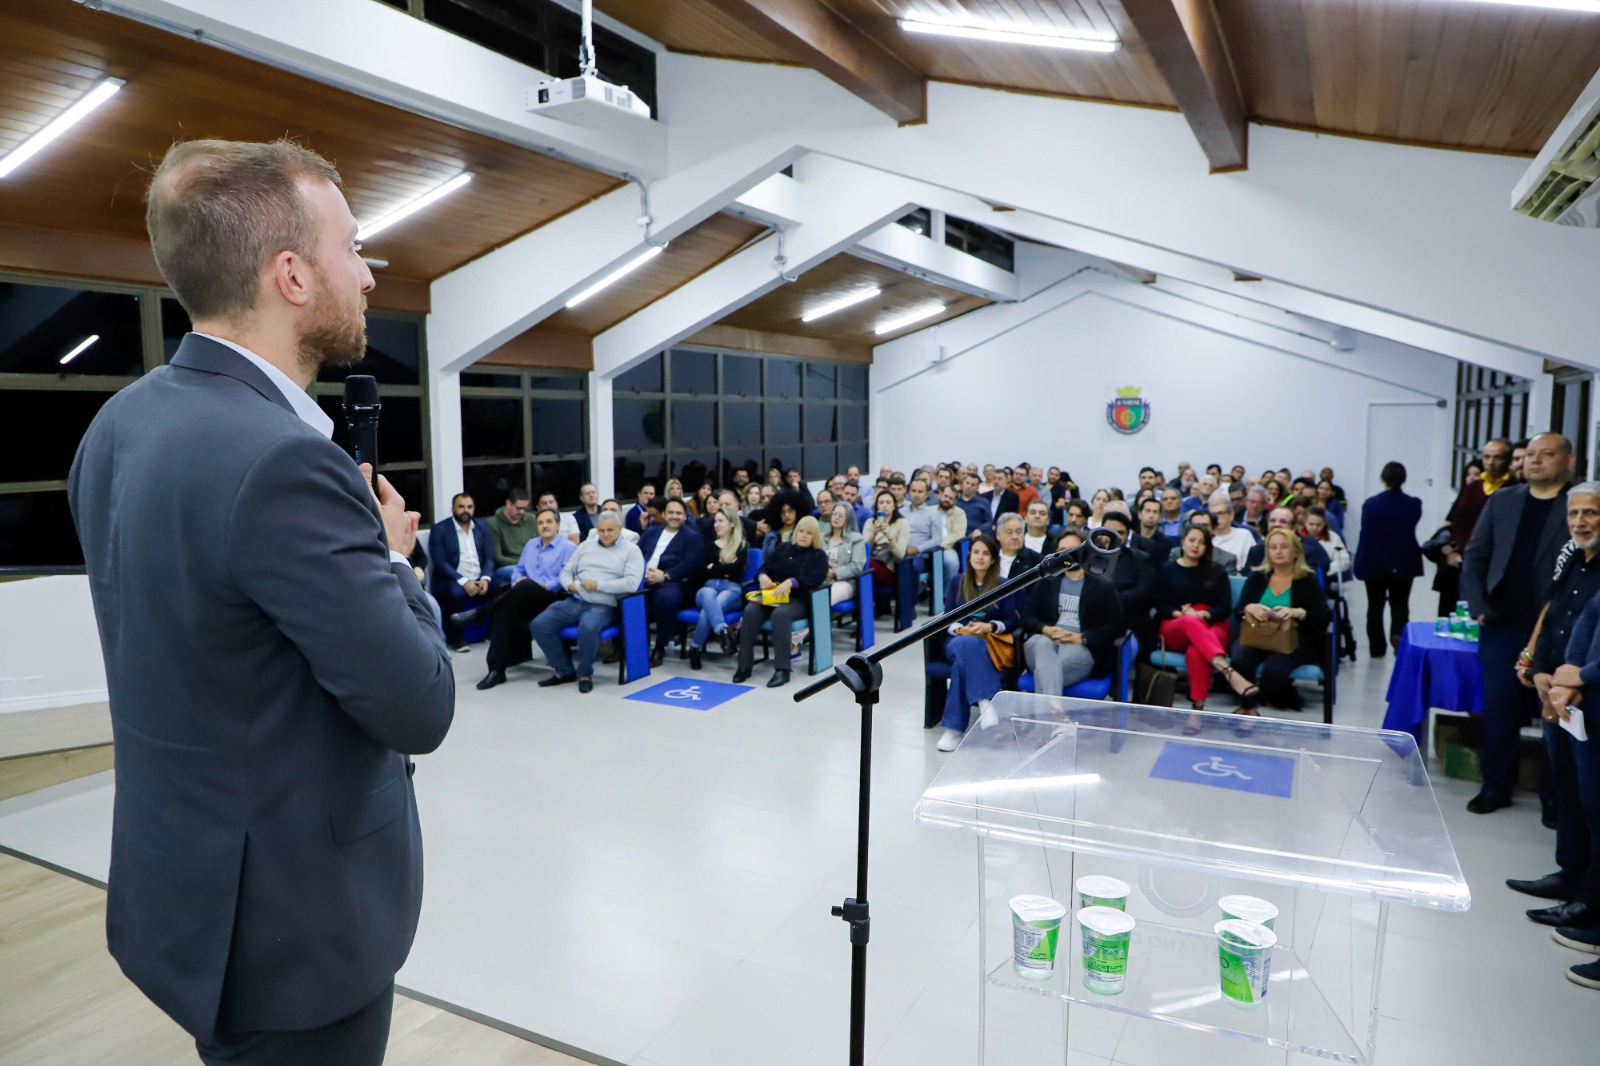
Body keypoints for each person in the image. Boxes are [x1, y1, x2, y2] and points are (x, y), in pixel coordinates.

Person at [68, 137, 454, 1065]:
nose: (366, 277)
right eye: (352, 248)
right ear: (290, 275)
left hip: (191, 898)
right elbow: (419, 704)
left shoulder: (120, 421)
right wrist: (396, 565)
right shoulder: (284, 462)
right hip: (296, 928)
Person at [1463, 432, 1574, 814]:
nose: (1536, 461)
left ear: (1568, 462)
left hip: (1558, 632)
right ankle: (1495, 786)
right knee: (1499, 712)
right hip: (1501, 623)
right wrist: (1478, 605)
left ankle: (1554, 799)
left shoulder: (1578, 506)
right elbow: (1475, 557)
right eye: (1531, 455)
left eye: (1547, 454)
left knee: (1556, 718)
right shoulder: (1503, 501)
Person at [1512, 482, 1600, 935]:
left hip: (1586, 696)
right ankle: (1568, 874)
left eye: (1591, 514)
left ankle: (1589, 896)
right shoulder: (1573, 561)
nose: (1581, 522)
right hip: (1557, 690)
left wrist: (1573, 683)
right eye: (1574, 514)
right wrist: (1541, 670)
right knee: (1564, 786)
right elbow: (1553, 617)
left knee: (1591, 799)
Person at [530, 512, 645, 693]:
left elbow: (631, 584)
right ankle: (564, 670)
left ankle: (585, 673)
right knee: (539, 624)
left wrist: (598, 585)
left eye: (610, 530)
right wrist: (570, 586)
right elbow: (566, 572)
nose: (605, 534)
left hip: (605, 605)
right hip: (576, 599)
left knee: (588, 627)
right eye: (601, 530)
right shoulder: (585, 546)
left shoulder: (631, 551)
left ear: (620, 529)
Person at [1155, 526, 1258, 714]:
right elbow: (1161, 605)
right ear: (1183, 541)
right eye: (1192, 540)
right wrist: (1185, 615)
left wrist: (1201, 615)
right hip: (1176, 624)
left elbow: (1225, 607)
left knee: (1197, 651)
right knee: (1190, 623)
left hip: (1212, 624)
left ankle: (1197, 710)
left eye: (1202, 542)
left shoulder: (1216, 571)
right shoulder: (1167, 570)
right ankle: (1228, 671)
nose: (1196, 546)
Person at [474, 507, 576, 690]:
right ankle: (496, 670)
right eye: (540, 522)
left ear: (558, 525)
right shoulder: (531, 545)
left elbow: (565, 577)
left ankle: (482, 612)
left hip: (552, 598)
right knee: (504, 611)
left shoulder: (568, 548)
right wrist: (517, 581)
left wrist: (543, 585)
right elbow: (518, 570)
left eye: (549, 522)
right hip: (525, 597)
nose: (544, 526)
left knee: (528, 586)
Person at [1230, 528, 1330, 713]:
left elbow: (1323, 617)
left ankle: (1250, 707)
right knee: (1239, 658)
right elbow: (1239, 610)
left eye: (1284, 547)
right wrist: (1249, 608)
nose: (1278, 551)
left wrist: (1298, 612)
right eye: (1273, 547)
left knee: (1274, 669)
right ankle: (1252, 706)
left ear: (1295, 551)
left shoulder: (1307, 579)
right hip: (1257, 635)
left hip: (1296, 639)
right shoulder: (1258, 577)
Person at [934, 533, 1019, 752]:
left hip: (988, 644)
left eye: (985, 553)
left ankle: (954, 729)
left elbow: (1011, 620)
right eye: (976, 552)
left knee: (962, 664)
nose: (980, 557)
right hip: (958, 641)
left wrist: (989, 626)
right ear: (969, 555)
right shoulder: (957, 581)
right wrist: (963, 629)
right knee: (967, 645)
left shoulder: (1002, 584)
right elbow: (948, 617)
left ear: (993, 559)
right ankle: (985, 700)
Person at [1023, 528, 1126, 698]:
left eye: (1072, 550)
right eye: (1061, 551)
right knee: (1041, 644)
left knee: (1047, 672)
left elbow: (1118, 625)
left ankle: (1050, 716)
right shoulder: (1047, 581)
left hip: (1079, 646)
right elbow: (1027, 616)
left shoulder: (1102, 585)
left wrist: (1083, 637)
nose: (1066, 555)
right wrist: (1045, 629)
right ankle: (1056, 713)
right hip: (1045, 640)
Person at [734, 515, 829, 688]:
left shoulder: (819, 555)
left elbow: (815, 579)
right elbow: (765, 567)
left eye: (809, 533)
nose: (803, 535)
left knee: (781, 614)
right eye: (801, 531)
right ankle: (744, 665)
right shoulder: (784, 548)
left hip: (800, 599)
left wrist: (792, 582)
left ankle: (782, 669)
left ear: (815, 536)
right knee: (750, 610)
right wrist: (763, 576)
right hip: (773, 596)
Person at [1438, 439, 1513, 615]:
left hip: (1499, 561)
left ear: (1507, 460)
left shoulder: (1513, 488)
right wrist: (1460, 548)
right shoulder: (1474, 487)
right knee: (1468, 606)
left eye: (1497, 457)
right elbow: (1459, 520)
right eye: (1487, 457)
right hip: (1470, 556)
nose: (1491, 462)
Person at [639, 497, 706, 665]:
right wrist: (642, 573)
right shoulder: (650, 532)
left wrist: (666, 575)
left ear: (685, 516)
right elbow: (636, 555)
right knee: (628, 599)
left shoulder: (692, 537)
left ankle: (659, 647)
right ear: (663, 514)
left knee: (666, 599)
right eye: (671, 512)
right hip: (644, 578)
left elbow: (689, 563)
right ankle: (636, 648)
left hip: (672, 581)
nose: (674, 516)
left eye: (678, 513)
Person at [429, 493, 494, 647]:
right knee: (455, 593)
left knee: (502, 588)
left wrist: (485, 578)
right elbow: (441, 563)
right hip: (452, 579)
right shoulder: (440, 529)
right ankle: (457, 640)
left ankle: (493, 633)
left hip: (479, 577)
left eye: (469, 507)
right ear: (453, 508)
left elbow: (490, 557)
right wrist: (464, 582)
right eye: (461, 506)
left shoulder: (481, 527)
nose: (466, 510)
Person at [686, 510, 749, 668]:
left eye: (721, 521)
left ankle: (696, 648)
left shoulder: (741, 546)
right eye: (715, 521)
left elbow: (736, 570)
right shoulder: (708, 546)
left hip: (731, 589)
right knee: (708, 596)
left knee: (710, 609)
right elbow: (700, 570)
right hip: (708, 587)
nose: (716, 525)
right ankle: (723, 632)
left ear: (732, 524)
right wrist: (725, 568)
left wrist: (714, 567)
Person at [1241, 507, 1331, 574]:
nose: (1276, 524)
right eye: (1272, 520)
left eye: (1283, 521)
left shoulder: (1306, 552)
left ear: (1293, 528)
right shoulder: (1256, 551)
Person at [823, 501, 868, 606]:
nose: (836, 517)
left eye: (841, 516)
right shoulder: (822, 538)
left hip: (845, 582)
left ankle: (822, 621)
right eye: (834, 514)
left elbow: (856, 566)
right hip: (822, 578)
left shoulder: (856, 539)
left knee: (825, 596)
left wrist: (834, 573)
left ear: (848, 519)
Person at [485, 488, 533, 586]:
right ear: (508, 503)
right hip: (508, 566)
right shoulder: (493, 523)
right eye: (518, 508)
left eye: (524, 508)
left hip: (532, 563)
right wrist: (525, 563)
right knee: (523, 575)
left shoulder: (531, 520)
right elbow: (498, 558)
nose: (521, 512)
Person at [867, 490, 910, 591]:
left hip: (889, 567)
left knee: (865, 564)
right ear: (876, 506)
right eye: (881, 503)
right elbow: (864, 550)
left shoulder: (902, 523)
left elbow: (900, 554)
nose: (884, 506)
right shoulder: (870, 522)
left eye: (888, 502)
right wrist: (874, 534)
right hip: (871, 560)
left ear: (894, 506)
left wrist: (889, 536)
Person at [1208, 490, 1257, 572]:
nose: (1216, 518)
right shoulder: (1205, 537)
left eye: (1220, 513)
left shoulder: (1244, 535)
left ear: (1231, 515)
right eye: (1213, 515)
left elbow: (1250, 566)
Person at [1304, 506, 1351, 579]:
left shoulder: (1333, 537)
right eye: (1311, 524)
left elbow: (1344, 560)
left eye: (1318, 525)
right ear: (1305, 522)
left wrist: (1325, 570)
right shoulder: (1297, 537)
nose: (1315, 528)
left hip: (1327, 577)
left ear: (1324, 524)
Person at [994, 512, 1042, 580]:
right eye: (1009, 532)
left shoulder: (1037, 561)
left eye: (1018, 532)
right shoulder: (991, 557)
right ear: (998, 535)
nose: (1015, 537)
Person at [935, 484, 968, 573]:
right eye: (945, 496)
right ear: (940, 495)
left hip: (947, 547)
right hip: (928, 546)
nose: (947, 500)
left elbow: (958, 534)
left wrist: (940, 546)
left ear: (955, 501)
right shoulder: (930, 510)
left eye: (951, 498)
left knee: (952, 563)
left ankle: (949, 587)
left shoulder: (959, 513)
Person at [1134, 496, 1173, 564]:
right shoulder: (1130, 540)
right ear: (1140, 514)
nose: (1151, 515)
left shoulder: (1167, 544)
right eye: (1147, 511)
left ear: (1160, 517)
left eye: (1155, 512)